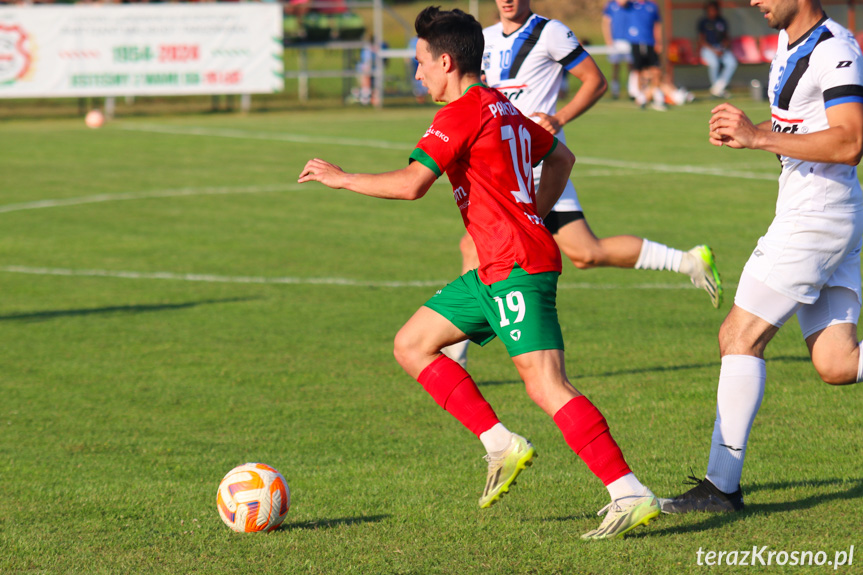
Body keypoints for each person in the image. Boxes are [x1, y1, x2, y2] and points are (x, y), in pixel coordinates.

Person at [299, 6, 661, 540]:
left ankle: (628, 492)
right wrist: (532, 211)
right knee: (412, 344)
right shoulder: (502, 105)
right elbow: (562, 158)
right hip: (493, 267)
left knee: (546, 383)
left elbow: (411, 184)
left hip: (515, 266)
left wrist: (340, 178)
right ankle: (500, 444)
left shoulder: (462, 113)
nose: (416, 73)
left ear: (445, 61)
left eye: (420, 63)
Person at [661, 0, 863, 513]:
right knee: (837, 363)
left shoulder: (834, 48)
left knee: (738, 336)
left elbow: (850, 141)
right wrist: (747, 134)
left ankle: (721, 487)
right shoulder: (786, 43)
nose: (754, 0)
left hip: (816, 217)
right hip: (821, 211)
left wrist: (755, 136)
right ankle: (721, 487)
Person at [442, 0, 722, 368]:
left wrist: (558, 118)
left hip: (540, 166)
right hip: (504, 166)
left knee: (476, 246)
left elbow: (596, 80)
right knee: (586, 252)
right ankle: (688, 261)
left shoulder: (550, 32)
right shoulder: (483, 38)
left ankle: (453, 356)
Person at [626, 0, 665, 110]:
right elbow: (620, 3)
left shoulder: (652, 5)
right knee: (638, 70)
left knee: (656, 70)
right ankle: (641, 96)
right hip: (636, 41)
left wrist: (659, 41)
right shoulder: (631, 4)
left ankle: (654, 95)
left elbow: (657, 24)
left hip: (650, 42)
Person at [697, 1, 738, 98]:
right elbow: (701, 41)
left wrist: (722, 48)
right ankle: (718, 90)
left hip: (721, 48)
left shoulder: (722, 21)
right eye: (710, 10)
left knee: (732, 63)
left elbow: (727, 38)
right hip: (708, 49)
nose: (712, 12)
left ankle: (717, 89)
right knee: (714, 64)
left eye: (714, 10)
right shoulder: (703, 22)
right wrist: (714, 50)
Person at [602, 0, 635, 99]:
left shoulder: (632, 5)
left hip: (630, 41)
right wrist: (608, 39)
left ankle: (632, 91)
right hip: (616, 41)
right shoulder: (611, 6)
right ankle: (615, 91)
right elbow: (605, 22)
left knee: (631, 67)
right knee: (615, 66)